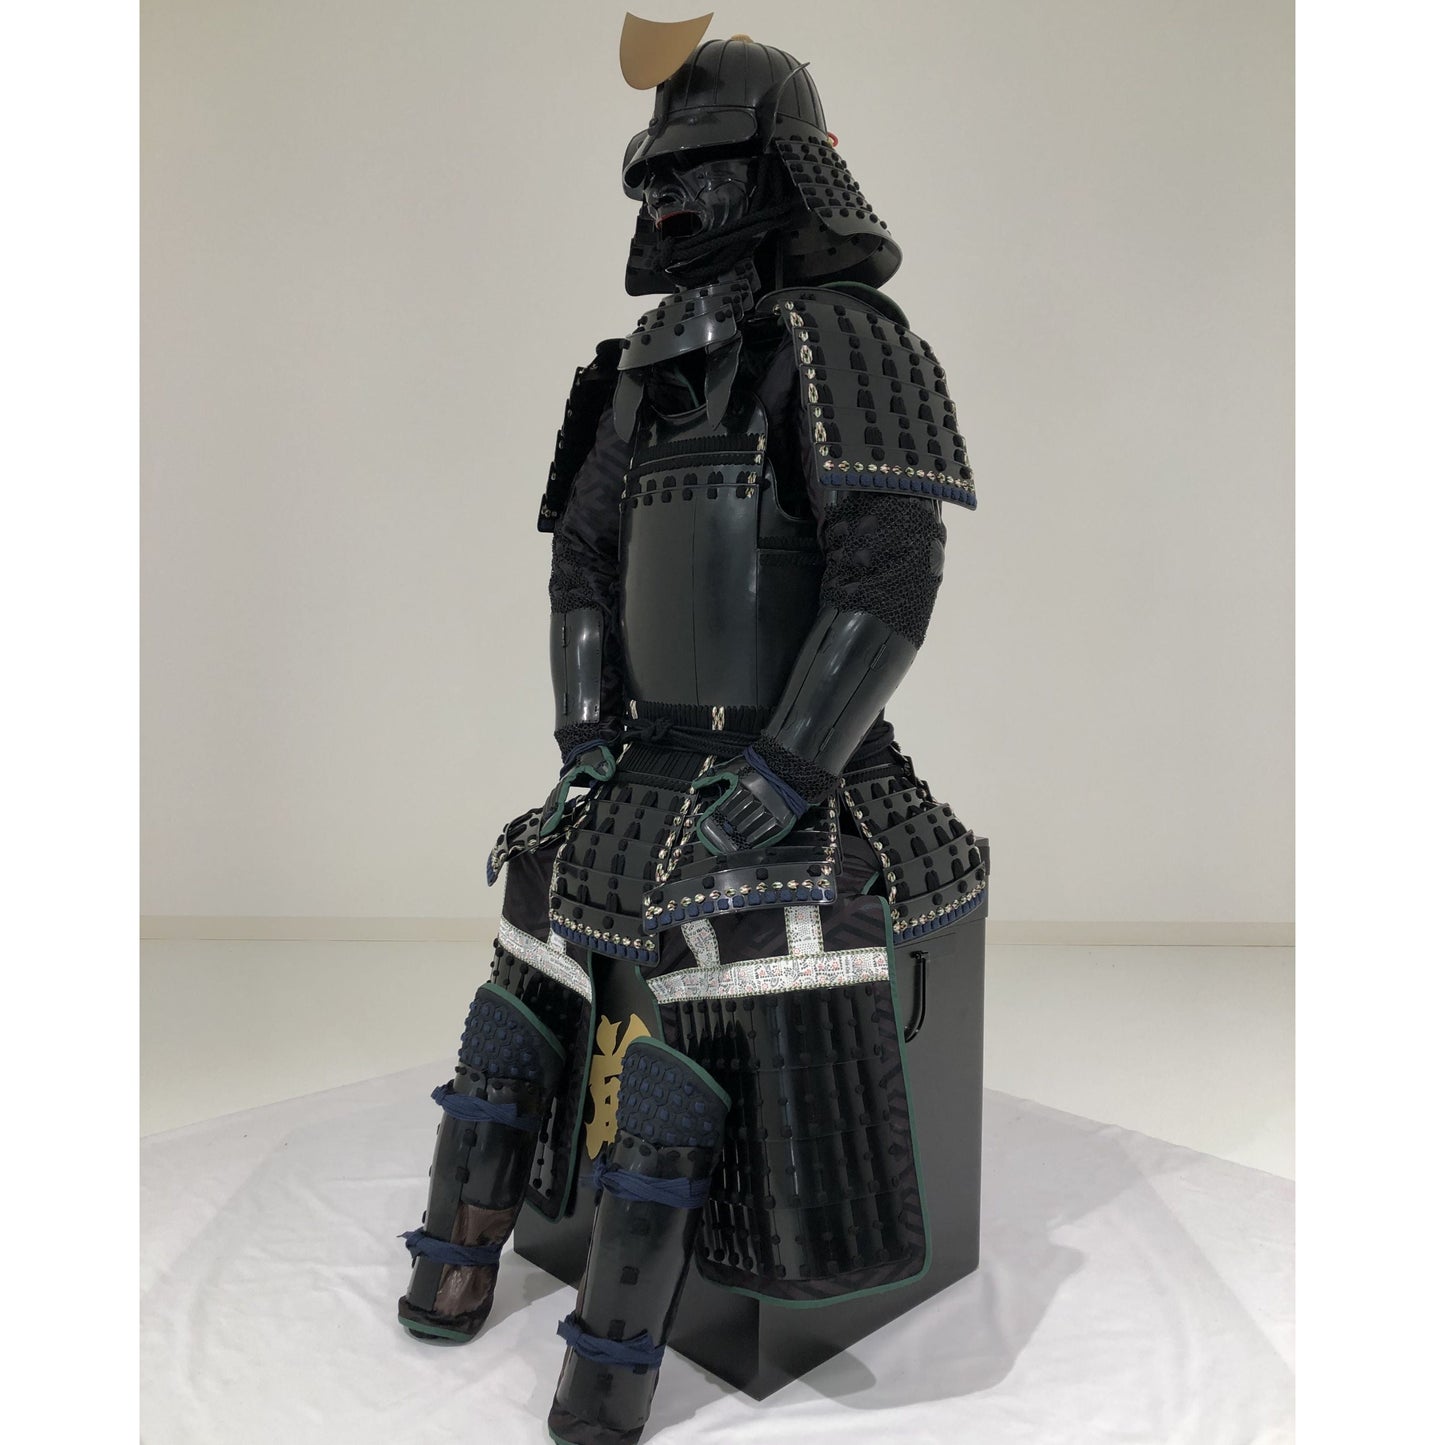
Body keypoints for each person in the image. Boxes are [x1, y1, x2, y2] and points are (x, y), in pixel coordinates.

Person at [397, 17, 987, 1444]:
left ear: (784, 167)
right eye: (650, 177)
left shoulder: (852, 345)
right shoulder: (632, 371)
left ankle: (620, 1359)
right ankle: (463, 1252)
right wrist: (580, 741)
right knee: (540, 893)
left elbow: (885, 584)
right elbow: (582, 568)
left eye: (697, 168)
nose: (667, 200)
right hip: (643, 754)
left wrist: (786, 767)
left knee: (739, 923)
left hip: (808, 762)